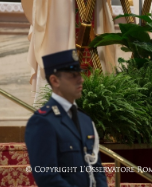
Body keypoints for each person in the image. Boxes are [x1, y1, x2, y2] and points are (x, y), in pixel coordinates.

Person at [25, 49, 108, 187]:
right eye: (73, 75)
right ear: (55, 80)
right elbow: (47, 177)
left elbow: (97, 168)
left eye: (80, 74)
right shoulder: (42, 122)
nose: (80, 79)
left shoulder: (85, 120)